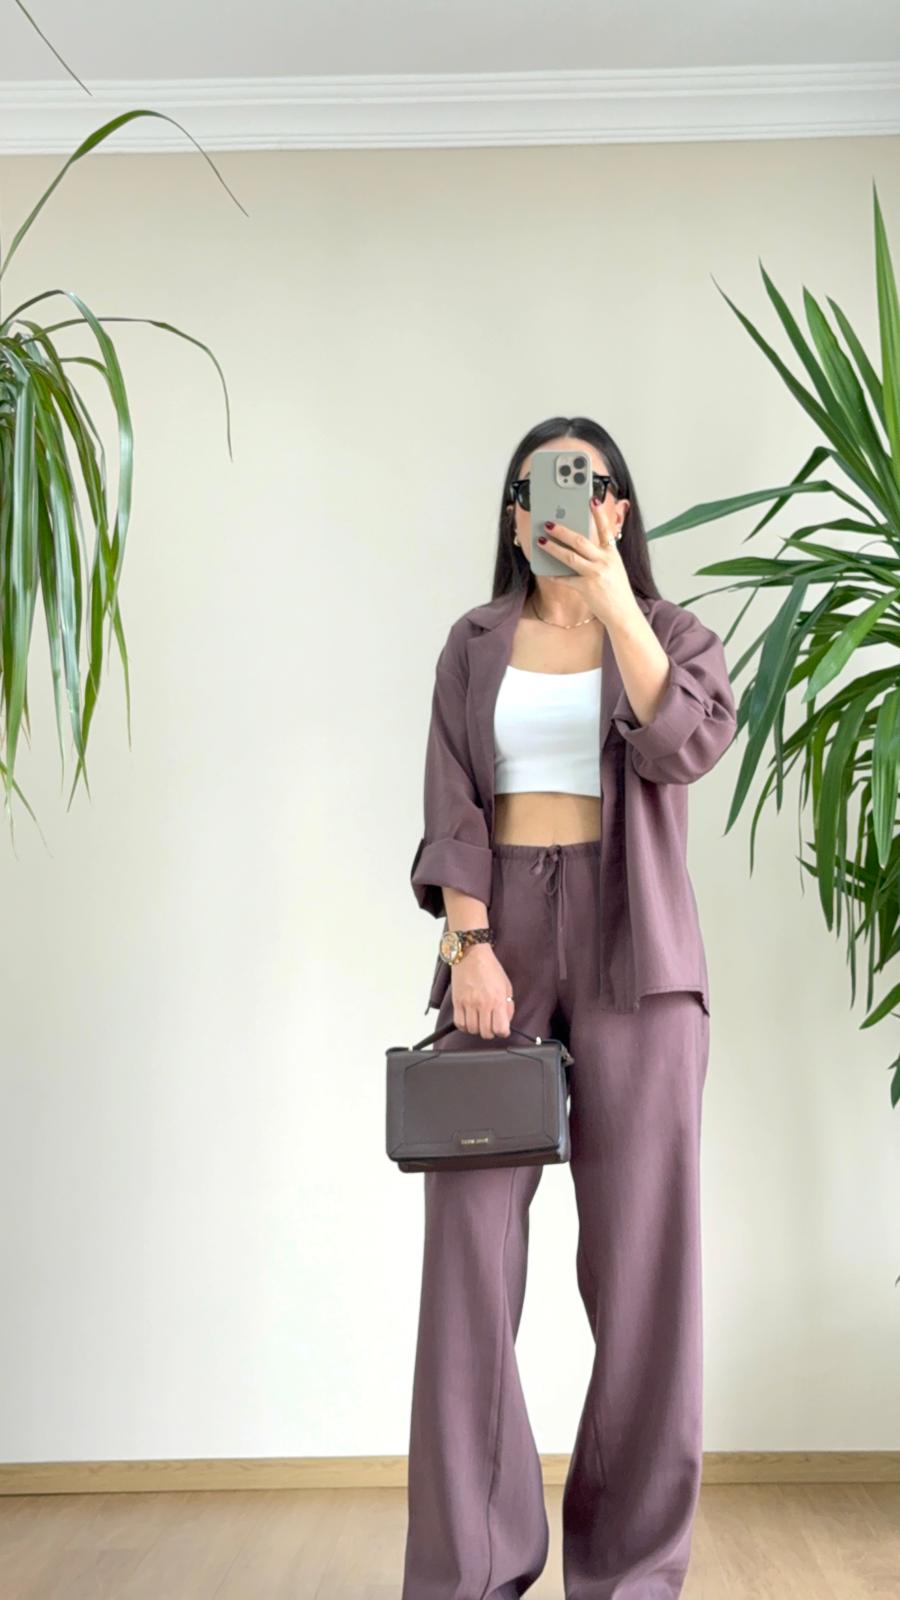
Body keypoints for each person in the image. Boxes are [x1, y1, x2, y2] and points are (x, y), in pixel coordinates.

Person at [402, 416, 738, 1600]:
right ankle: (470, 1571)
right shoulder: (473, 643)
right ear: (513, 515)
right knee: (468, 1263)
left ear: (616, 509)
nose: (558, 500)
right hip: (499, 945)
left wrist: (614, 603)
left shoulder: (673, 634)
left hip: (639, 951)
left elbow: (684, 744)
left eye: (585, 482)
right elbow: (451, 804)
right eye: (537, 486)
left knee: (645, 1275)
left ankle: (632, 1574)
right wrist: (470, 943)